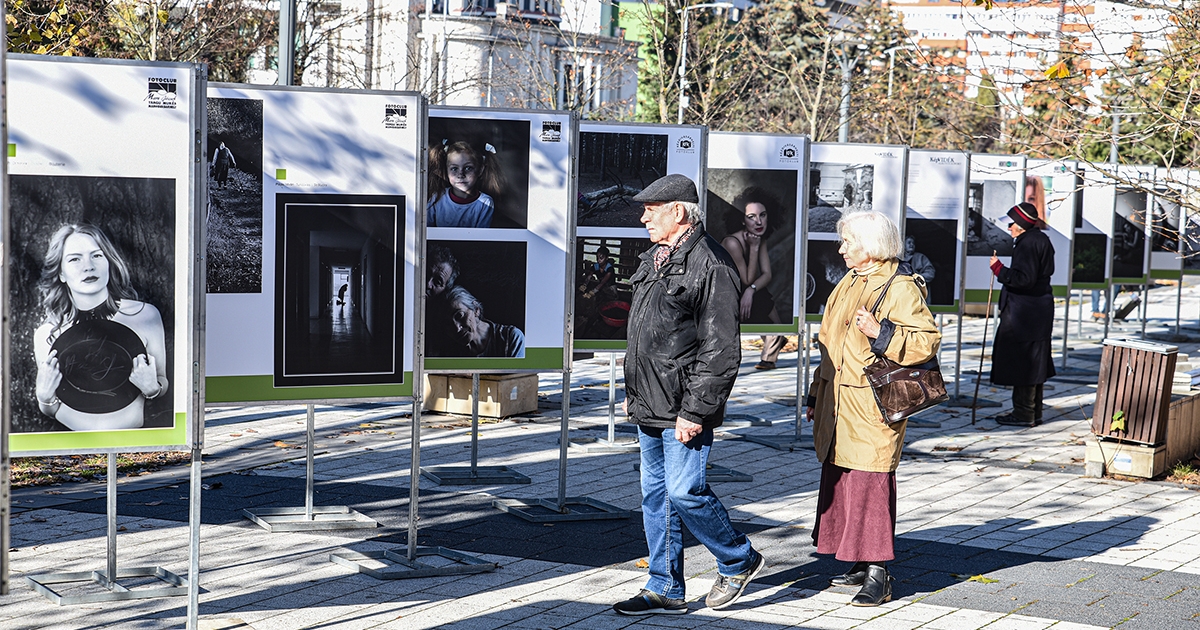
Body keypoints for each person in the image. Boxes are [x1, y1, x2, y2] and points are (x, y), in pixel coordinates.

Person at [613, 174, 764, 617]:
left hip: (684, 407)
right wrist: (633, 392)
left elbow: (721, 349)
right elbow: (645, 334)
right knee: (656, 498)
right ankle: (665, 587)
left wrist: (696, 410)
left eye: (651, 210)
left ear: (678, 211)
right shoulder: (656, 257)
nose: (643, 218)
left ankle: (738, 559)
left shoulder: (712, 264)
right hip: (650, 402)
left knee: (685, 493)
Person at [806, 211, 940, 607]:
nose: (841, 248)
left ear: (872, 245)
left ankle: (879, 572)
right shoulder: (849, 281)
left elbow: (925, 342)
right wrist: (816, 395)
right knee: (844, 478)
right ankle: (858, 562)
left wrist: (880, 332)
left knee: (870, 481)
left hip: (871, 404)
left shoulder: (900, 286)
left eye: (848, 241)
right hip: (837, 402)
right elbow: (828, 347)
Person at [34, 224, 169, 431]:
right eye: (74, 259)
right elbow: (50, 408)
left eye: (96, 256)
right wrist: (43, 396)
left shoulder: (145, 315)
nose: (88, 266)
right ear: (61, 273)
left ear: (108, 262)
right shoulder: (46, 333)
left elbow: (162, 381)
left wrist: (152, 389)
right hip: (75, 450)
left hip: (131, 443)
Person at [988, 202, 1056, 427]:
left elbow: (1024, 279)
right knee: (1034, 360)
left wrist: (999, 269)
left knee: (1024, 360)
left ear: (1021, 224)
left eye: (1012, 224)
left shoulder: (1028, 243)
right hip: (1037, 310)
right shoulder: (1040, 240)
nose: (1009, 228)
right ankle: (1032, 412)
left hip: (1025, 312)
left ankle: (1023, 413)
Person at [721, 188, 787, 370]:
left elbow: (767, 274)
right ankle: (775, 341)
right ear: (742, 219)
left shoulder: (759, 237)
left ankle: (770, 355)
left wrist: (751, 290)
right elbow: (746, 278)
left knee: (770, 311)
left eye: (762, 215)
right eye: (751, 216)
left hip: (749, 289)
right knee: (767, 308)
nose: (758, 221)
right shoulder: (732, 243)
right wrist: (754, 248)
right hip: (731, 291)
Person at [427, 141, 504, 228]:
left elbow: (481, 237)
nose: (461, 175)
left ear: (480, 170)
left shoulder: (485, 203)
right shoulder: (438, 197)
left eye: (468, 168)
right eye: (454, 168)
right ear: (447, 170)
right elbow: (425, 229)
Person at [444, 285, 525, 358]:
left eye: (460, 315)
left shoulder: (511, 337)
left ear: (476, 309)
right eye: (448, 324)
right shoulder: (452, 352)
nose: (457, 329)